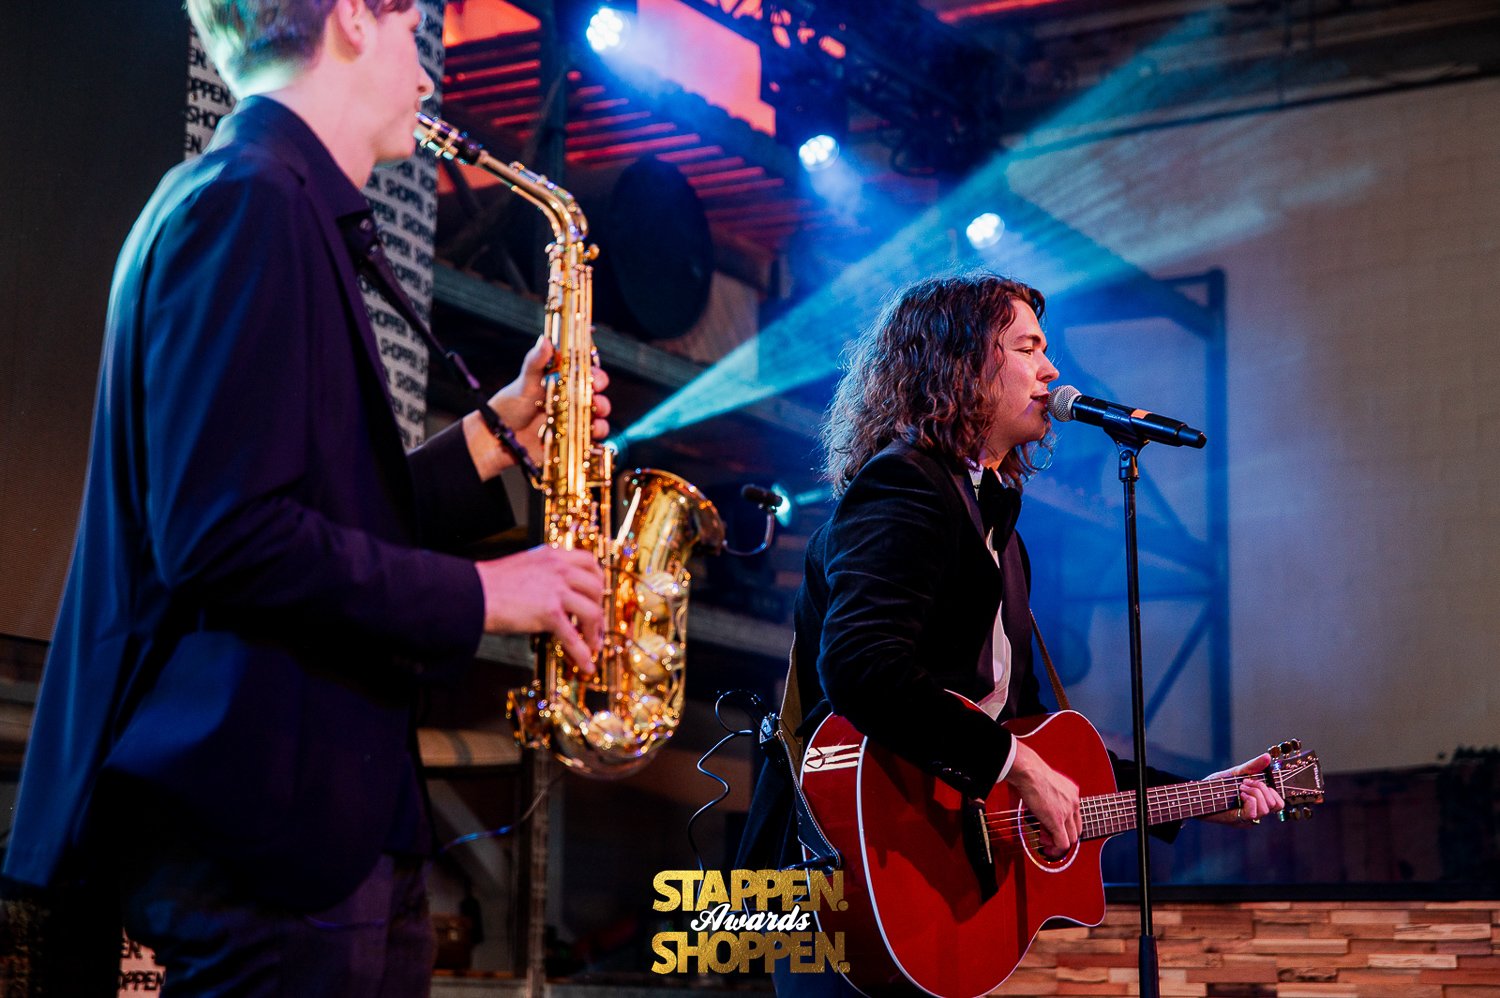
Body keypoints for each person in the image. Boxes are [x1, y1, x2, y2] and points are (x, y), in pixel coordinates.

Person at [1, 0, 611, 993]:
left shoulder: (260, 200)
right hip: (273, 837)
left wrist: (495, 437)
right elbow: (225, 536)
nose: (428, 78)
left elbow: (316, 514)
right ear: (354, 19)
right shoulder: (249, 204)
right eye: (413, 31)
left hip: (315, 827)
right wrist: (488, 593)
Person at [736, 274, 1282, 996]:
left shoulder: (1002, 533)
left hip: (938, 893)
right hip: (851, 869)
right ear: (958, 364)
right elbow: (862, 667)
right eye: (1027, 348)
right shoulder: (904, 485)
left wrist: (1195, 794)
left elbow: (1032, 734)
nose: (1051, 370)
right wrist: (1016, 766)